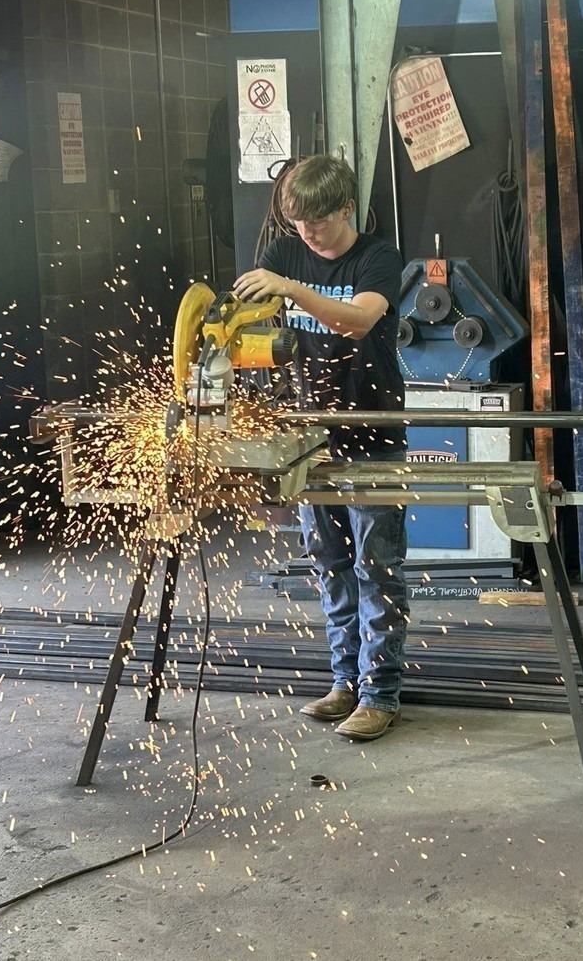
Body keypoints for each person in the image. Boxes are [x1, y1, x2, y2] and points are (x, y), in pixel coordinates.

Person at [233, 155, 408, 741]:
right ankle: (344, 683)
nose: (306, 234)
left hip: (372, 427)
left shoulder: (378, 256)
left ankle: (381, 694)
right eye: (297, 224)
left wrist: (292, 288)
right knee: (330, 564)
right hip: (307, 433)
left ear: (346, 209)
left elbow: (356, 321)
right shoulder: (284, 250)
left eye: (318, 223)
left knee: (376, 566)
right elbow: (254, 323)